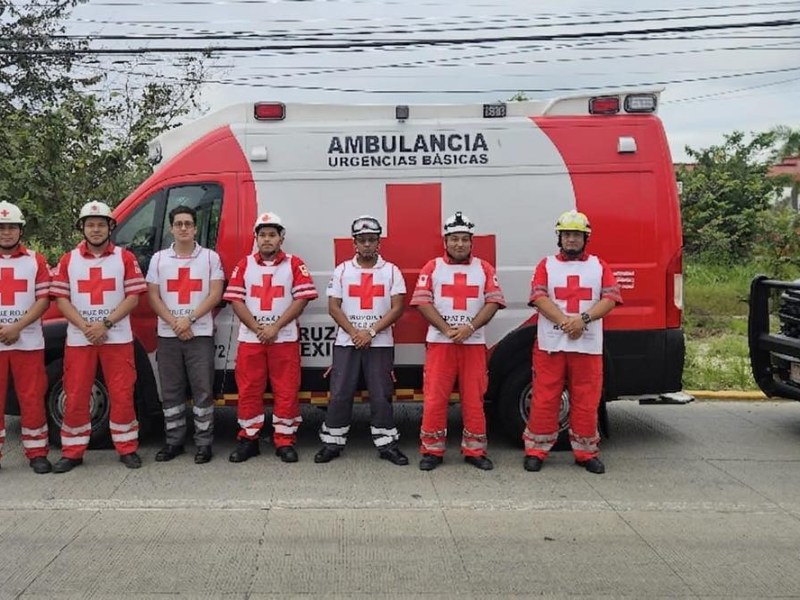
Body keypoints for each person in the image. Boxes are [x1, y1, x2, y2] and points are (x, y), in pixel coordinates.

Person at [50, 200, 147, 473]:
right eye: (90, 224)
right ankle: (73, 452)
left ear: (110, 228)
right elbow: (61, 300)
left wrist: (104, 325)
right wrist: (86, 327)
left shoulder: (125, 258)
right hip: (80, 339)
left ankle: (127, 448)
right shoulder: (69, 260)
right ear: (82, 228)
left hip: (117, 338)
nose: (95, 229)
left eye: (101, 224)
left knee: (122, 393)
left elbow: (133, 297)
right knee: (75, 394)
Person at [522, 209, 622, 475]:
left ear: (585, 238)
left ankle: (586, 453)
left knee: (587, 400)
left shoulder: (599, 266)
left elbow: (611, 298)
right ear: (559, 237)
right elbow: (538, 297)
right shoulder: (546, 265)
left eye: (577, 235)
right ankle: (536, 451)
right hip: (551, 345)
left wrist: (583, 320)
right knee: (544, 399)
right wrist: (568, 322)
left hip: (586, 346)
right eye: (567, 234)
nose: (571, 239)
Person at [411, 212, 506, 471]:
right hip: (440, 344)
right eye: (454, 239)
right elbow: (422, 302)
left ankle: (475, 450)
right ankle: (432, 451)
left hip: (473, 344)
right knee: (435, 398)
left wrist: (469, 328)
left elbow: (493, 302)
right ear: (445, 241)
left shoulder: (484, 268)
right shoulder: (432, 267)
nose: (459, 244)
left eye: (465, 239)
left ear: (471, 242)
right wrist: (447, 329)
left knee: (474, 398)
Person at [223, 212, 318, 463]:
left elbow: (302, 299)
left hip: (284, 339)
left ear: (281, 238)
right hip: (251, 340)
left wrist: (275, 327)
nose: (267, 239)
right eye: (262, 235)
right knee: (248, 390)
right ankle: (248, 439)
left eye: (272, 235)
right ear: (256, 238)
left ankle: (284, 441)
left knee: (286, 390)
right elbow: (236, 300)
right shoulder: (244, 264)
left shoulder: (294, 264)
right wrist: (259, 328)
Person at [314, 215, 408, 466]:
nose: (367, 244)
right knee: (340, 393)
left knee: (381, 394)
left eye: (372, 239)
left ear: (379, 242)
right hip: (347, 342)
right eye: (362, 239)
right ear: (354, 242)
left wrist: (371, 333)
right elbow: (334, 307)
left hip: (380, 343)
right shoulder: (343, 270)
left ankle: (387, 444)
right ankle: (332, 443)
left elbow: (398, 307)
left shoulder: (391, 271)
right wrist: (355, 333)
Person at [145, 205, 224, 465]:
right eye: (178, 224)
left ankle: (204, 443)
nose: (183, 228)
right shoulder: (158, 259)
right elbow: (153, 296)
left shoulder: (210, 258)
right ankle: (174, 442)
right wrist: (175, 323)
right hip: (168, 335)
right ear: (171, 228)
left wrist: (188, 320)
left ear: (195, 228)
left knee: (203, 391)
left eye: (188, 223)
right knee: (171, 391)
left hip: (200, 333)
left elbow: (215, 294)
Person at [0, 201, 52, 474]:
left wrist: (16, 327)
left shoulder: (35, 260)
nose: (6, 232)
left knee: (32, 398)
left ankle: (37, 453)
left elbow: (43, 300)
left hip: (28, 341)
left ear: (20, 230)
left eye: (12, 227)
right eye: (1, 228)